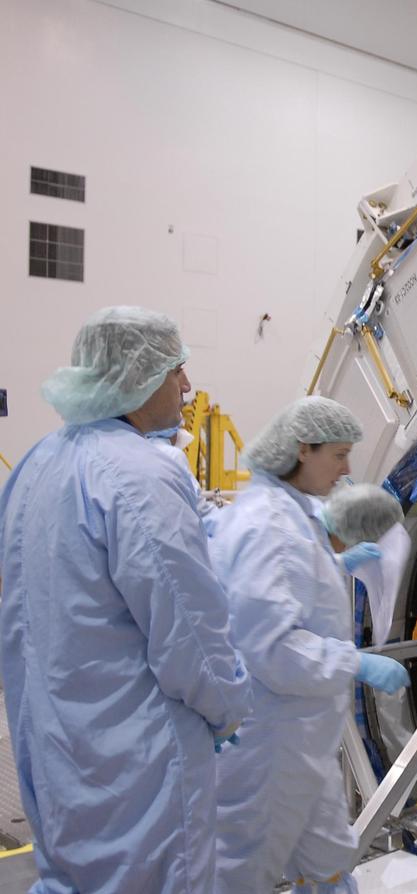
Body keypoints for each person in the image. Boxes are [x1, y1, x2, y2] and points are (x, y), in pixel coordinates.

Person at [0, 306, 252, 893]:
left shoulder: (37, 463)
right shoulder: (138, 474)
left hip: (56, 744)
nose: (187, 385)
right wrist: (227, 706)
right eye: (175, 369)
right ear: (137, 377)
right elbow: (188, 628)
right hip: (138, 763)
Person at [209, 396, 411, 894]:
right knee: (243, 871)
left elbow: (284, 588)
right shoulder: (272, 526)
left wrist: (334, 564)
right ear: (303, 449)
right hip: (271, 742)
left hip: (303, 739)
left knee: (328, 858)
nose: (346, 470)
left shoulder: (287, 514)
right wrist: (354, 663)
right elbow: (273, 649)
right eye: (339, 455)